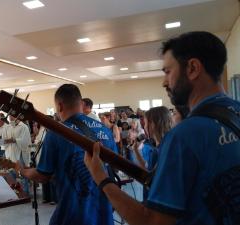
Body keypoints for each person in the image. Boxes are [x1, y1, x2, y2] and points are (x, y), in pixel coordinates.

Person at [84, 31, 240, 225]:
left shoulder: (184, 135)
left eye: (168, 71)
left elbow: (152, 222)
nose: (164, 81)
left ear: (192, 68)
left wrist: (102, 178)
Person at [16, 84, 117, 225]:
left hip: (72, 215)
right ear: (81, 104)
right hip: (103, 215)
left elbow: (43, 176)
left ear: (59, 106)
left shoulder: (55, 134)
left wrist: (23, 171)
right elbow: (113, 167)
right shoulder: (105, 131)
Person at [131, 106, 171, 200]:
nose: (144, 127)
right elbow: (147, 166)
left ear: (152, 125)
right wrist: (136, 150)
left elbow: (148, 177)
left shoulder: (157, 151)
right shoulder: (167, 145)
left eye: (145, 123)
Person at [3, 115, 32, 194]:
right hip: (10, 153)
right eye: (9, 116)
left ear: (17, 116)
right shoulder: (8, 127)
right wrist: (7, 141)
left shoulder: (23, 127)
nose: (9, 118)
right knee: (10, 173)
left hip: (20, 154)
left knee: (22, 173)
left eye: (12, 116)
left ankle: (25, 192)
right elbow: (4, 139)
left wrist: (15, 140)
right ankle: (14, 191)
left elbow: (26, 141)